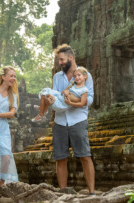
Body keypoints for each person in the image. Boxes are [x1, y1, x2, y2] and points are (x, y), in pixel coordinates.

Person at [49, 44, 95, 195]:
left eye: (61, 60)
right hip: (60, 121)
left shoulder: (84, 74)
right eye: (58, 61)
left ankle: (92, 192)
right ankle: (63, 193)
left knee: (85, 156)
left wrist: (73, 100)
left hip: (78, 120)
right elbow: (56, 97)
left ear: (70, 58)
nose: (60, 63)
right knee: (60, 158)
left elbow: (89, 99)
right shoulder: (57, 77)